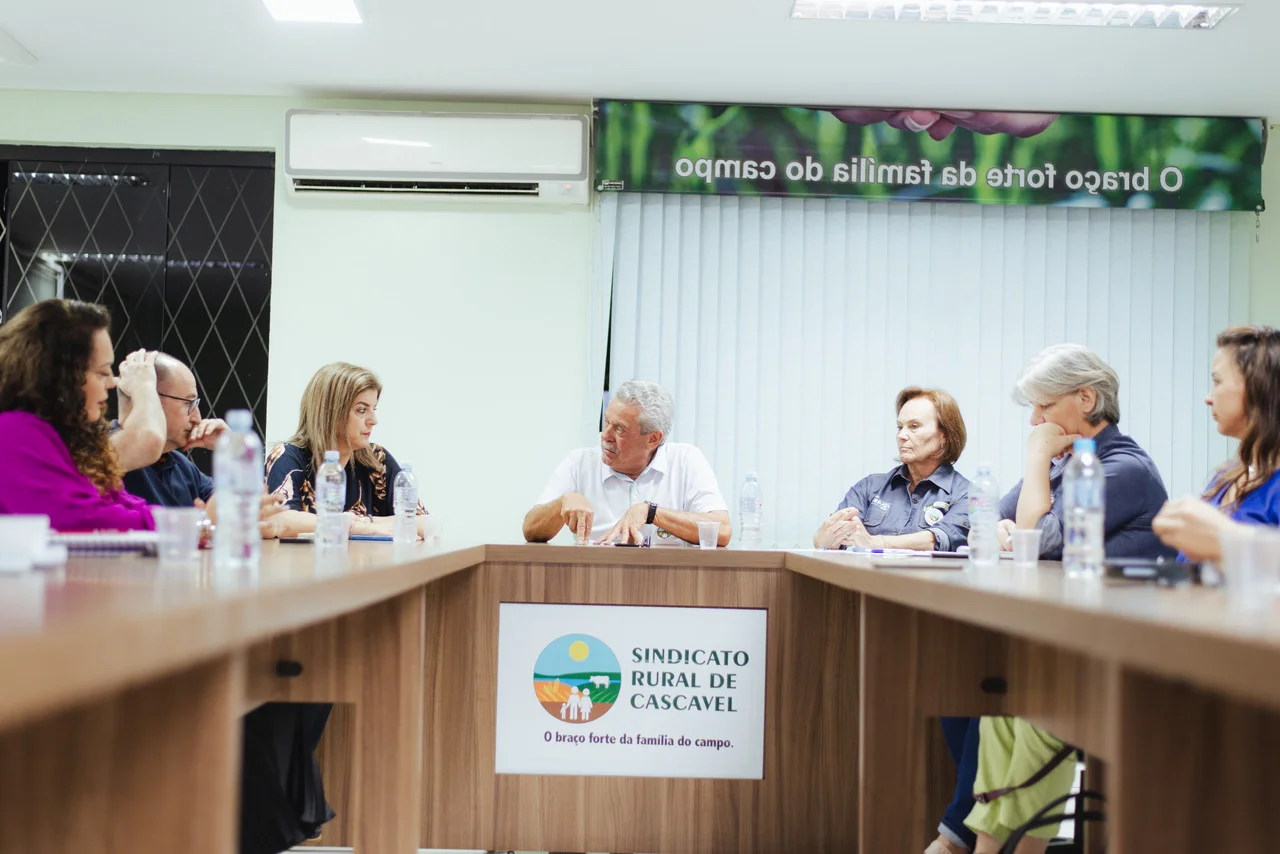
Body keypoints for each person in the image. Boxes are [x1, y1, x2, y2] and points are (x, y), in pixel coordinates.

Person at [998, 343, 1175, 560]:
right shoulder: (1062, 461)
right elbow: (981, 525)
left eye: (1045, 405)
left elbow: (1035, 543)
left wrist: (1037, 455)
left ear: (1086, 399)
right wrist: (998, 529)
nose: (1034, 420)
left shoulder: (1125, 468)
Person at [0, 299, 154, 530]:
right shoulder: (13, 431)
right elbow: (77, 519)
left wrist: (191, 522)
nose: (111, 382)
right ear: (61, 376)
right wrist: (191, 523)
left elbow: (119, 504)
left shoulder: (71, 437)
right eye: (102, 372)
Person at [523, 380, 730, 546]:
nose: (605, 435)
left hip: (667, 582)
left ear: (653, 439)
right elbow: (530, 529)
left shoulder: (685, 461)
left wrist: (652, 513)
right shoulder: (579, 463)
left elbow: (722, 530)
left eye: (619, 429)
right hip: (595, 579)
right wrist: (562, 503)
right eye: (606, 422)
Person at [110, 350, 283, 537]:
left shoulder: (180, 466)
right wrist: (208, 524)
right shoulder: (102, 452)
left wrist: (233, 450)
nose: (198, 417)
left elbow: (256, 511)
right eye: (189, 403)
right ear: (151, 398)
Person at [1154, 325, 1280, 561]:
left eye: (1218, 381)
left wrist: (1227, 540)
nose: (1208, 398)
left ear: (1258, 388)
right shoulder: (1226, 477)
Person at [265, 362, 428, 538]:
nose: (373, 420)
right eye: (361, 410)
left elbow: (422, 522)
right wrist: (353, 527)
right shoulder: (288, 457)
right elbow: (278, 520)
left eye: (373, 409)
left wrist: (362, 522)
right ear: (331, 413)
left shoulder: (377, 460)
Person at [814, 386, 970, 551]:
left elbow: (939, 539)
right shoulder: (870, 487)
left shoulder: (968, 494)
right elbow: (827, 537)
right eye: (900, 427)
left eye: (914, 426)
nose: (901, 436)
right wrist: (824, 539)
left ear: (944, 436)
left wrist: (874, 543)